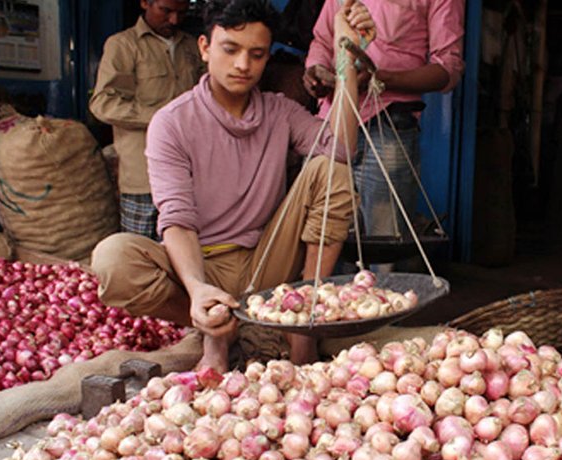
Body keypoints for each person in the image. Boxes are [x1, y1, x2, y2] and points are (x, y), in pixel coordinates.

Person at [91, 0, 374, 370]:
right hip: (204, 262)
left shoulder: (280, 111)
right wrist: (197, 290)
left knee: (331, 169)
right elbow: (177, 219)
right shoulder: (171, 123)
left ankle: (304, 323)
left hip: (267, 260)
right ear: (205, 48)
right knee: (113, 260)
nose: (243, 65)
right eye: (231, 49)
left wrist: (346, 56)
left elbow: (341, 149)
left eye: (257, 54)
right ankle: (217, 328)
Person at [303, 0, 464, 241]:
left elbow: (447, 69)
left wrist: (381, 78)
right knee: (325, 239)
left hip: (387, 125)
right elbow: (323, 41)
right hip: (331, 123)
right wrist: (316, 72)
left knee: (385, 243)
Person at [89, 0, 203, 240]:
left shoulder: (193, 47)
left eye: (181, 13)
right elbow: (103, 103)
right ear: (144, 3)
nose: (174, 20)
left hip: (189, 175)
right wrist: (162, 118)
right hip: (142, 177)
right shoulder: (123, 45)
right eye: (166, 11)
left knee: (185, 251)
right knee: (138, 253)